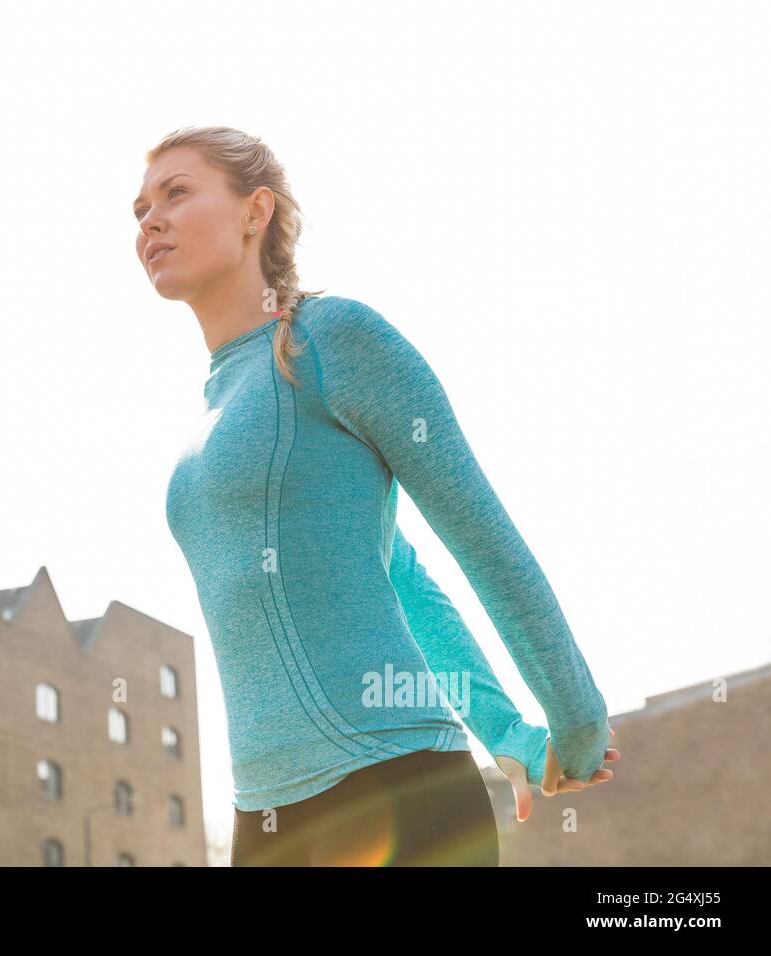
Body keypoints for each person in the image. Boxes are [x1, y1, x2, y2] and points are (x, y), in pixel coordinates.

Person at [136, 126, 619, 866]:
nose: (150, 221)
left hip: (396, 791)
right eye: (138, 210)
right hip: (262, 819)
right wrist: (505, 729)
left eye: (176, 193)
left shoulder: (334, 341)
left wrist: (566, 725)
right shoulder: (213, 405)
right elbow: (395, 575)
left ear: (253, 211)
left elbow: (481, 536)